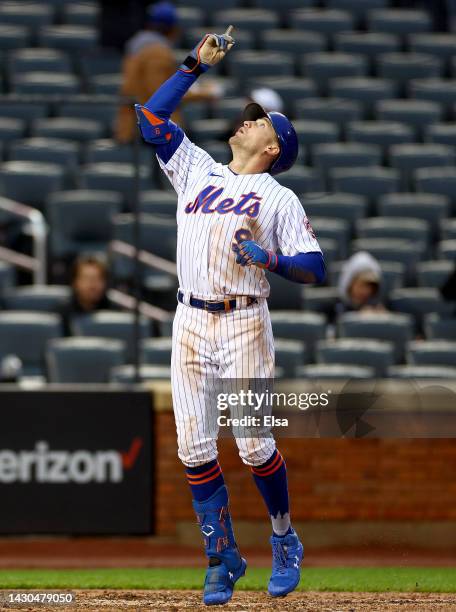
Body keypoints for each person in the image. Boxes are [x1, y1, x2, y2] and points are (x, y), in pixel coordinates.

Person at [134, 26, 325, 605]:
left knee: (253, 445)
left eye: (259, 119)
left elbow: (314, 266)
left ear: (273, 147)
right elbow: (150, 119)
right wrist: (195, 63)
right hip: (190, 318)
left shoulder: (278, 197)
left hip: (243, 320)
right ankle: (222, 558)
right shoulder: (197, 168)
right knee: (193, 448)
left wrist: (269, 258)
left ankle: (284, 539)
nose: (247, 119)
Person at [115, 1, 219, 143]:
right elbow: (161, 94)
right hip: (149, 129)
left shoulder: (137, 46)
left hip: (136, 125)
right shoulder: (157, 53)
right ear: (172, 28)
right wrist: (204, 94)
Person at [58, 255, 114, 336]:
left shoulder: (114, 314)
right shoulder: (60, 315)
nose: (92, 285)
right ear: (75, 282)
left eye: (98, 279)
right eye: (86, 278)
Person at [336, 251, 385, 317]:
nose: (365, 291)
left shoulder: (378, 309)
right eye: (361, 285)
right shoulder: (335, 309)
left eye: (370, 286)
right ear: (350, 284)